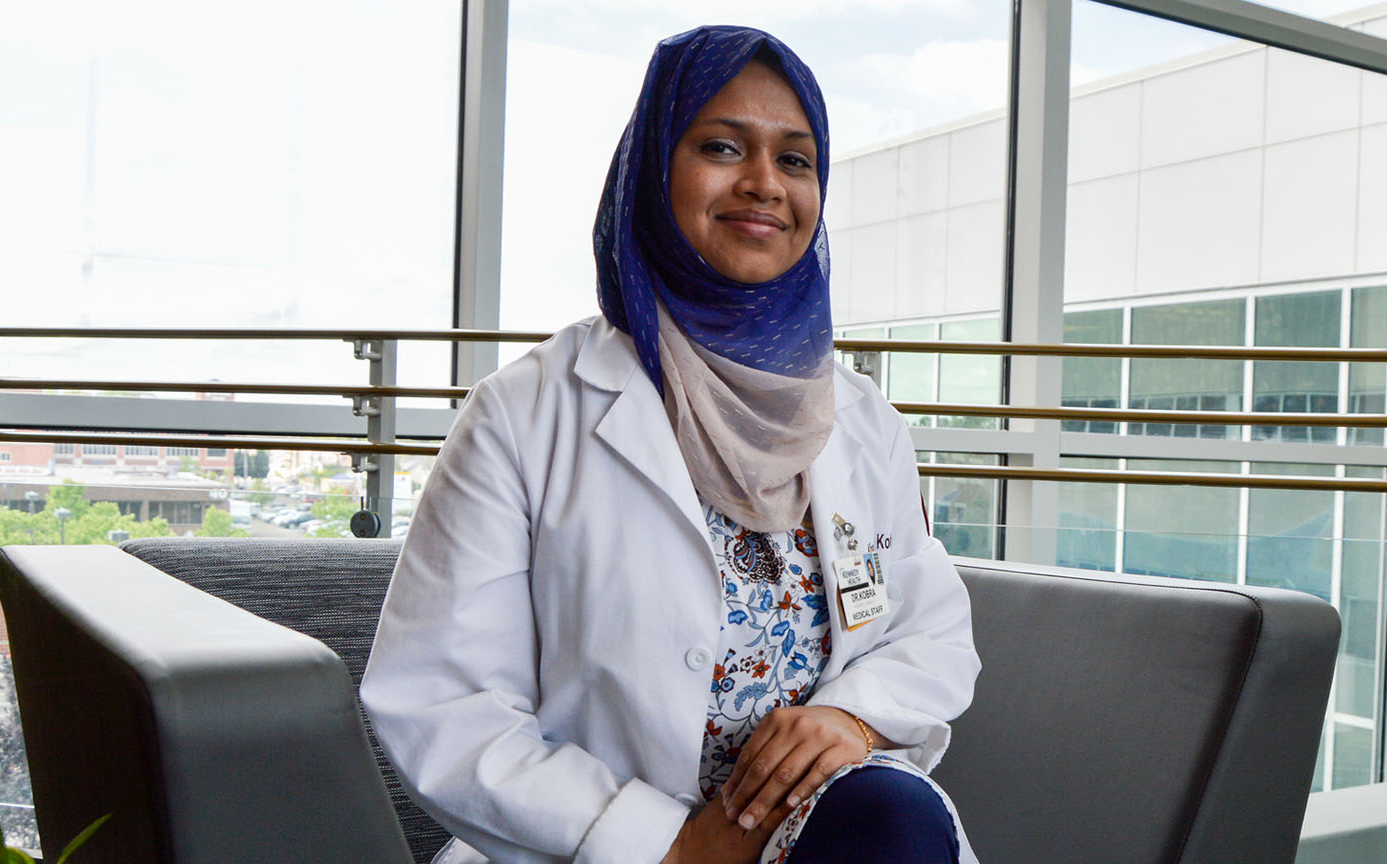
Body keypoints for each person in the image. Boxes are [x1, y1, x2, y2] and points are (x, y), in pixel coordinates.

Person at [360, 25, 980, 864]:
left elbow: (931, 629)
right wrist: (667, 848)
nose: (763, 183)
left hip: (828, 835)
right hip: (601, 850)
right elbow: (441, 699)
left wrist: (854, 715)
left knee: (891, 818)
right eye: (722, 147)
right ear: (654, 172)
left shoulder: (861, 420)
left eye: (795, 161)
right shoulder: (527, 412)